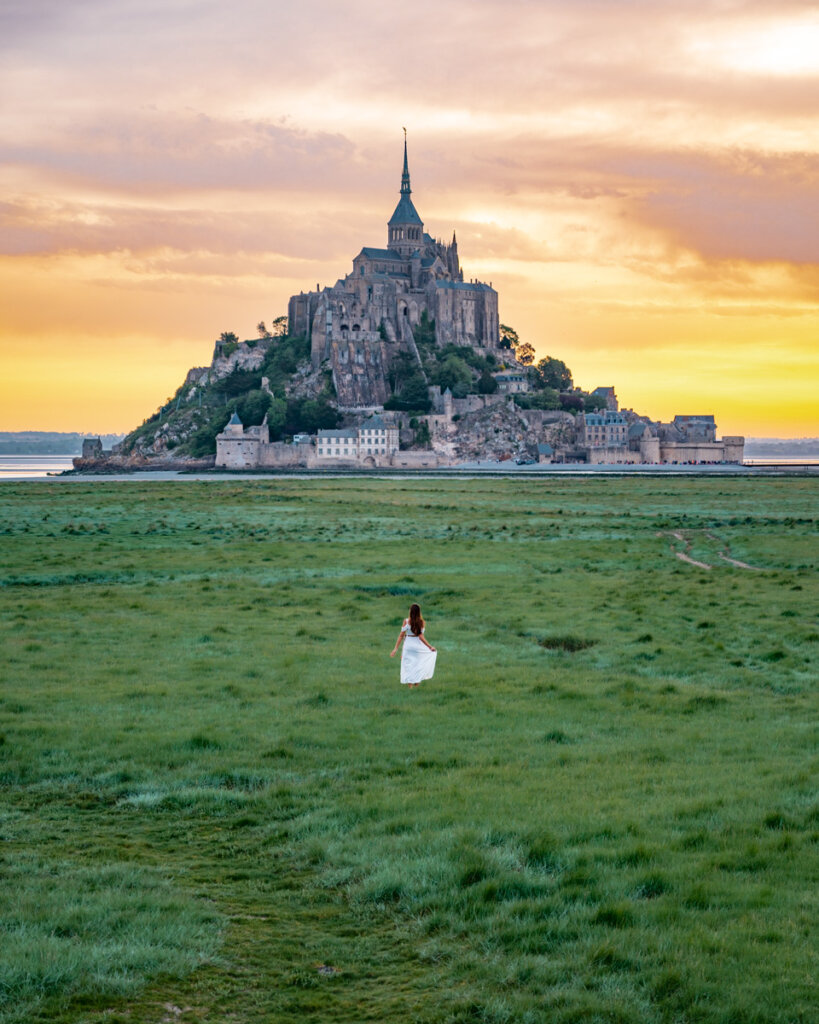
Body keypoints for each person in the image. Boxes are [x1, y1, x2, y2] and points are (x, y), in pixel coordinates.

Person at [390, 603, 437, 687]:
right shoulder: (421, 622)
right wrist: (430, 647)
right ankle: (417, 685)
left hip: (408, 645)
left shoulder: (406, 621)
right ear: (419, 612)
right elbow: (421, 636)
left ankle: (410, 687)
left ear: (410, 611)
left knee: (409, 667)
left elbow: (401, 635)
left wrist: (395, 649)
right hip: (417, 646)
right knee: (418, 666)